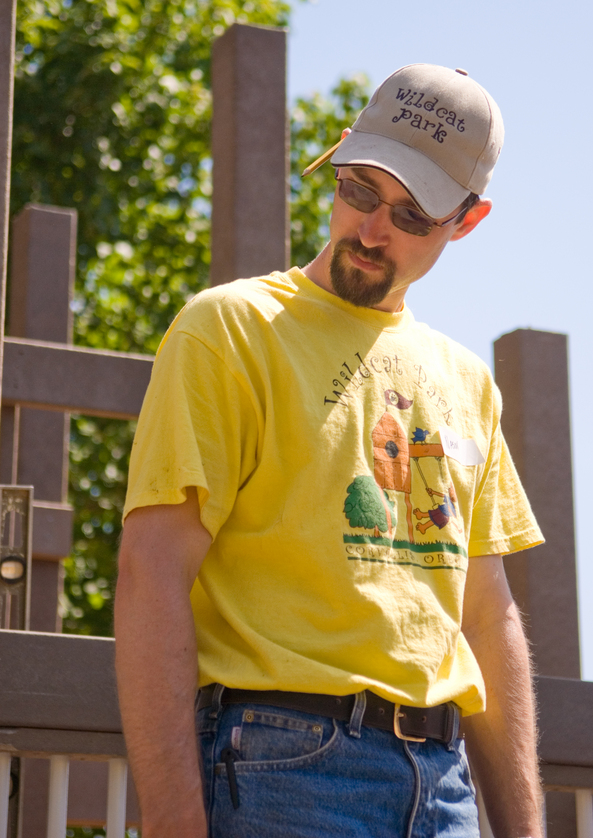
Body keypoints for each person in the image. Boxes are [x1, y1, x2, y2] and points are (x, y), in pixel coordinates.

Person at [115, 63, 544, 838]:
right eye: (358, 190)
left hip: (444, 788)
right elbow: (152, 572)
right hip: (282, 768)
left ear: (467, 220)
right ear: (340, 153)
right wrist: (173, 823)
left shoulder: (466, 382)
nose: (372, 230)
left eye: (412, 215)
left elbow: (486, 617)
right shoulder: (229, 329)